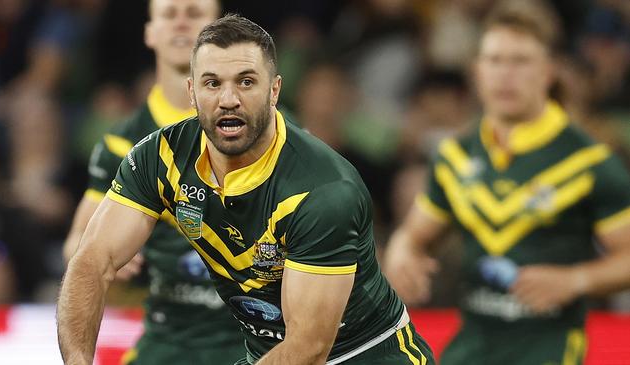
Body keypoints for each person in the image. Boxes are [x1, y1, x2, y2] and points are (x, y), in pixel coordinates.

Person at [57, 14, 434, 365]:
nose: (228, 99)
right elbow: (91, 261)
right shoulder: (160, 157)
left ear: (275, 91)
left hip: (367, 355)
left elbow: (309, 346)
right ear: (192, 92)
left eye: (246, 81)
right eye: (212, 83)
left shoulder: (323, 189)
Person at [383, 1, 630, 364]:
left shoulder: (588, 160)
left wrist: (574, 280)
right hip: (472, 344)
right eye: (495, 61)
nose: (505, 74)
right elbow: (415, 234)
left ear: (548, 72)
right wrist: (402, 250)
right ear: (476, 71)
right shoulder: (456, 156)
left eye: (520, 61)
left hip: (549, 346)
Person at [61, 1, 245, 364]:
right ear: (150, 32)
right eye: (169, 13)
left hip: (256, 340)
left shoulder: (274, 131)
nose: (180, 22)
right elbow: (77, 250)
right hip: (167, 340)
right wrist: (105, 254)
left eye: (193, 14)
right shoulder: (122, 143)